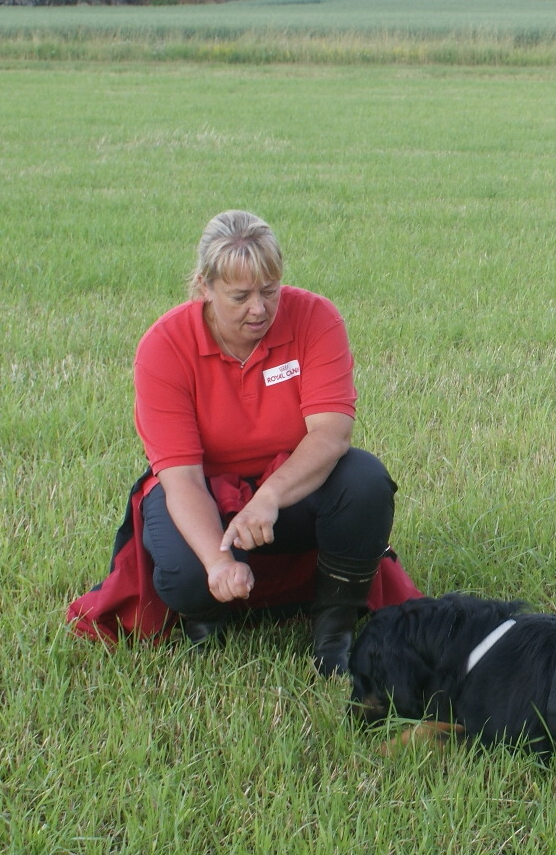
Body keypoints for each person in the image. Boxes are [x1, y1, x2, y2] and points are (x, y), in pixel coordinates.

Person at [68, 210, 421, 675]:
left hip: (290, 488)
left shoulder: (316, 318)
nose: (259, 309)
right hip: (204, 493)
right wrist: (217, 560)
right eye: (240, 296)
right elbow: (181, 479)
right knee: (187, 575)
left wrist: (269, 498)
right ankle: (206, 619)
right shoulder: (164, 346)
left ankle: (334, 628)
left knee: (365, 479)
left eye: (270, 291)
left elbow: (331, 436)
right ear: (204, 288)